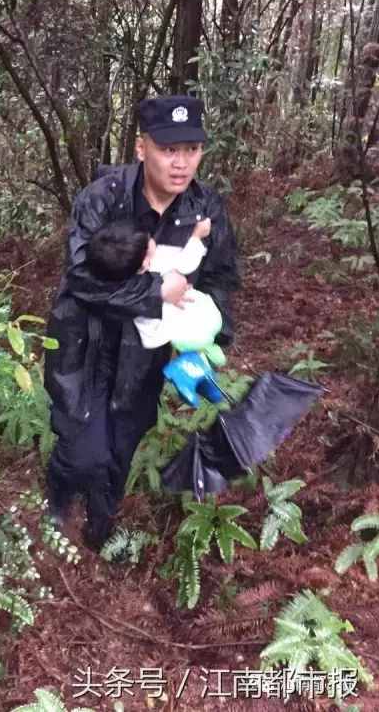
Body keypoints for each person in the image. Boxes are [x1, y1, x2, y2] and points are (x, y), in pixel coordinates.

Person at [43, 95, 240, 548]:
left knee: (121, 445)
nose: (181, 163)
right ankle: (59, 499)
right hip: (85, 342)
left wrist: (210, 334)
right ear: (141, 148)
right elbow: (82, 279)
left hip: (144, 353)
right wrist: (156, 292)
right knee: (81, 445)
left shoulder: (205, 208)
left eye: (191, 149)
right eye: (169, 149)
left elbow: (221, 274)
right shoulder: (103, 199)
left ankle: (99, 529)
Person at [85, 216, 224, 351]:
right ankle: (207, 348)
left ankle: (207, 348)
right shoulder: (155, 260)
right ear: (144, 262)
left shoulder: (121, 273)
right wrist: (196, 237)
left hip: (156, 335)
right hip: (178, 327)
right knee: (203, 327)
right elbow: (186, 262)